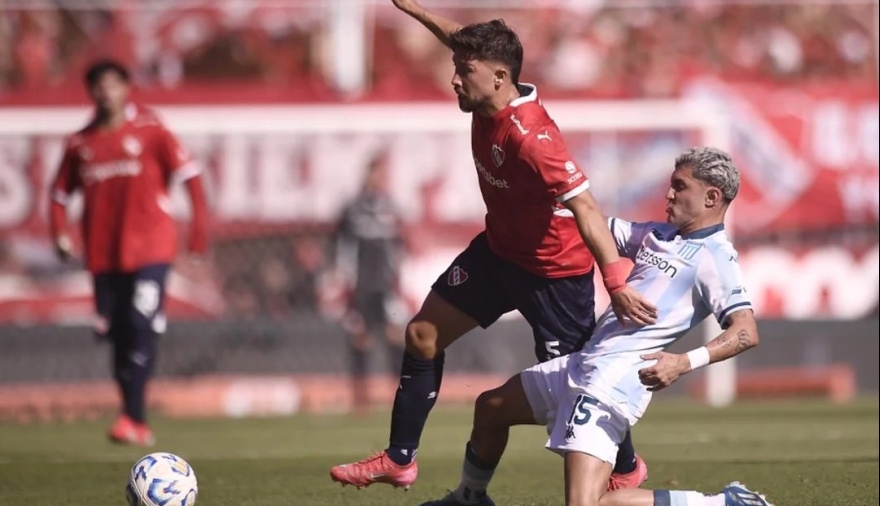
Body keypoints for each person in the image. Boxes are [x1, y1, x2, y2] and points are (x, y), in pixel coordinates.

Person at [329, 0, 659, 492]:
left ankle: (626, 468)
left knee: (580, 387)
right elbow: (459, 38)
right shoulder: (488, 88)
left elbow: (587, 208)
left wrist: (615, 283)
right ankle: (400, 460)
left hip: (552, 273)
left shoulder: (533, 138)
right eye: (456, 67)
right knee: (422, 335)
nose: (455, 80)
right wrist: (413, 9)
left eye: (464, 72)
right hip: (499, 253)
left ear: (500, 77)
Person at [418, 147, 774, 506]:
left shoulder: (715, 257)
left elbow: (745, 331)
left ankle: (726, 503)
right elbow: (594, 226)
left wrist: (684, 362)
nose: (668, 194)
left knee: (588, 503)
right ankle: (470, 498)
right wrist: (548, 197)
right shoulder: (660, 234)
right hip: (583, 365)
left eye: (680, 186)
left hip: (610, 385)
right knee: (492, 408)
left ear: (712, 197)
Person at [49, 60, 208, 446]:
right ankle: (134, 418)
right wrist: (60, 233)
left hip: (152, 249)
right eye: (99, 85)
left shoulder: (152, 130)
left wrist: (198, 235)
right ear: (91, 92)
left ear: (126, 88)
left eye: (113, 84)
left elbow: (191, 176)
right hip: (104, 256)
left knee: (141, 323)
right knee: (119, 336)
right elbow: (58, 194)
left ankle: (131, 418)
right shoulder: (81, 143)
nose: (107, 92)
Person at [335, 152, 407, 416]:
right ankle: (360, 398)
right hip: (361, 284)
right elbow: (342, 245)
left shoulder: (390, 207)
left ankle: (402, 395)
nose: (379, 179)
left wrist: (399, 277)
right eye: (376, 173)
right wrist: (345, 279)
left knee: (396, 333)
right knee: (360, 336)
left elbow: (399, 247)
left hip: (387, 284)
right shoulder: (353, 209)